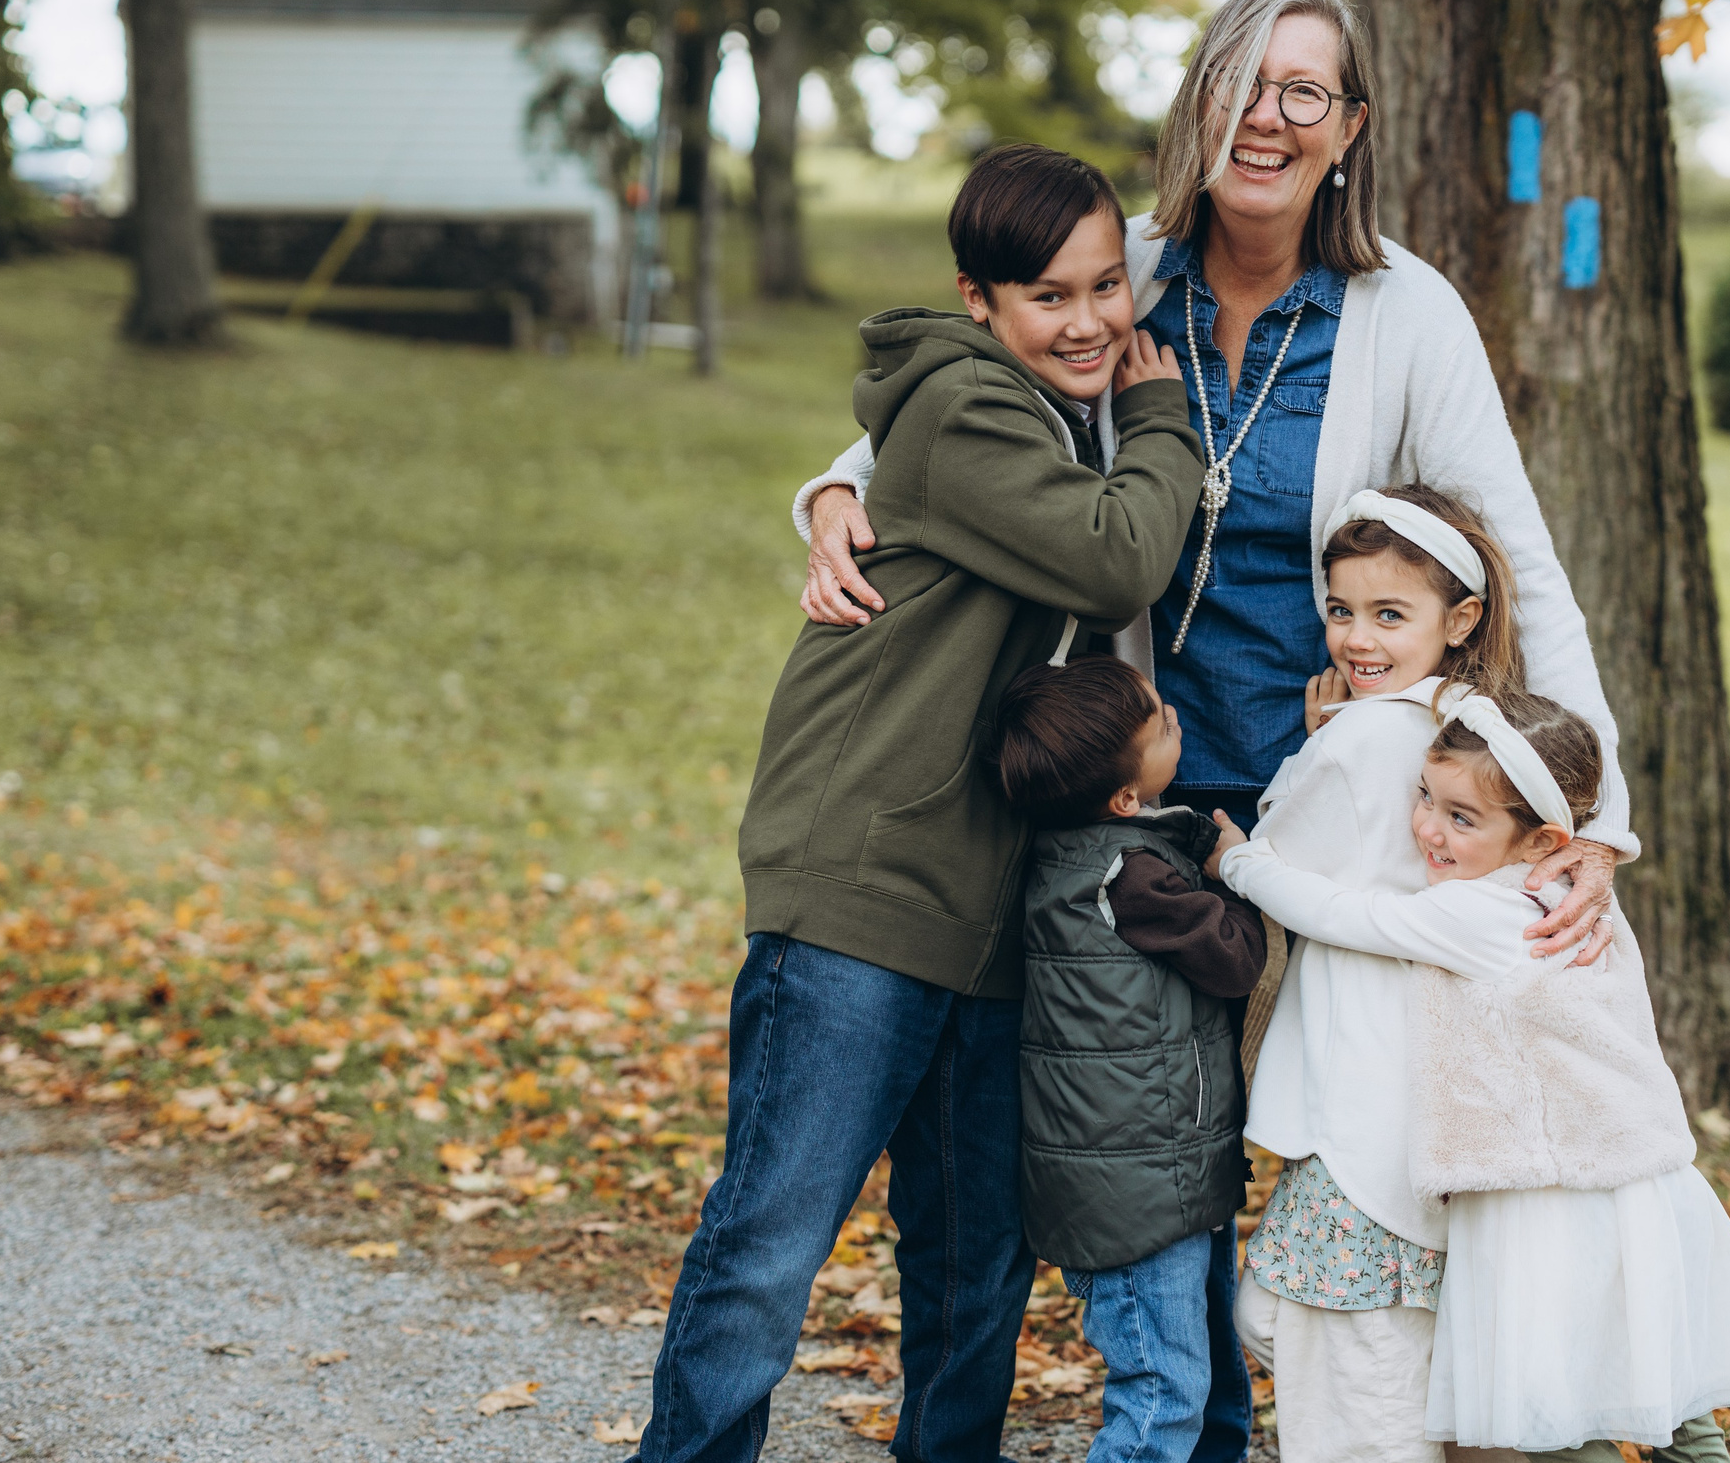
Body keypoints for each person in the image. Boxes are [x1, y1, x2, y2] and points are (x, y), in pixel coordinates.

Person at [792, 0, 1633, 960]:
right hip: (1121, 799)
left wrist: (1594, 815)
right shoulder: (1122, 271)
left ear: (1349, 129)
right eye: (1238, 81)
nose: (1263, 117)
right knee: (1124, 1057)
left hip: (1331, 807)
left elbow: (1517, 561)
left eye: (1303, 92)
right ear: (1200, 99)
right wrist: (843, 484)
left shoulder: (1408, 313)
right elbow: (979, 386)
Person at [634, 146, 1205, 1463]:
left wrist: (829, 484)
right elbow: (1117, 555)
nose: (1089, 321)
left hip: (990, 897)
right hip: (867, 882)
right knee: (773, 1235)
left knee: (973, 1253)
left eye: (1106, 286)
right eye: (1048, 295)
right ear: (977, 300)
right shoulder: (965, 407)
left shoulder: (1036, 410)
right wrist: (1161, 417)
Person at [1212, 692, 1730, 1463]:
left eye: (1461, 817)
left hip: (1549, 1193)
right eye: (1423, 796)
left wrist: (1238, 860)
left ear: (1541, 838)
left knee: (1546, 1407)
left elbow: (1342, 912)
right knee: (1643, 1378)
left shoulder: (1480, 915)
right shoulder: (1579, 902)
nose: (1427, 828)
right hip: (1637, 1180)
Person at [1195, 486, 1530, 1463]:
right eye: (1340, 610)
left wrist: (1292, 777)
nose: (1356, 638)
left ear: (1460, 620)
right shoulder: (1478, 731)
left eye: (1389, 614)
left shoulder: (1365, 736)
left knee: (1343, 1355)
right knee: (1348, 1329)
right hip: (1442, 1087)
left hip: (1363, 1090)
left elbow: (1280, 849)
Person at [994, 654, 1268, 1463]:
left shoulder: (1074, 853)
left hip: (1144, 1176)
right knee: (1161, 1396)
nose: (1175, 716)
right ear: (1123, 796)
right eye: (1161, 725)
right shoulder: (1131, 875)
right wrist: (1235, 869)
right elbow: (1235, 959)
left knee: (1193, 1375)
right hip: (1144, 1191)